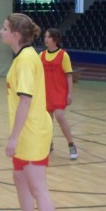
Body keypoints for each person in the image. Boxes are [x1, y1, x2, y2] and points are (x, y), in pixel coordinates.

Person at [0, 13, 59, 211]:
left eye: (4, 28)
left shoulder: (25, 60)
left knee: (37, 187)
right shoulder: (22, 57)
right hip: (25, 133)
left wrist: (13, 137)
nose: (0, 31)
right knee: (20, 179)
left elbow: (25, 100)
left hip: (32, 133)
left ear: (16, 34)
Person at [40, 28, 78, 160]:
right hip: (46, 92)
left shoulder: (63, 55)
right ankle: (48, 144)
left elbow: (69, 75)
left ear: (55, 39)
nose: (46, 39)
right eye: (45, 37)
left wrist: (70, 94)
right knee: (48, 121)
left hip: (60, 92)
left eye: (48, 37)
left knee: (60, 116)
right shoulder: (41, 55)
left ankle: (71, 145)